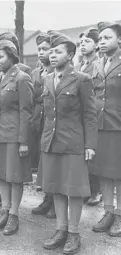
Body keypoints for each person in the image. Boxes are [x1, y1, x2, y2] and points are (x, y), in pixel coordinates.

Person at [39, 33, 97, 254]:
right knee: (56, 189)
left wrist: (90, 145)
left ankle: (74, 234)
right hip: (51, 142)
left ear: (70, 55)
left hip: (73, 142)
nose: (52, 55)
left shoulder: (82, 79)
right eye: (51, 52)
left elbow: (90, 115)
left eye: (58, 52)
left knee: (73, 191)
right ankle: (60, 230)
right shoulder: (47, 79)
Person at [0, 40, 33, 235]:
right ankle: (4, 211)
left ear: (11, 57)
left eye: (0, 57)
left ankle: (14, 215)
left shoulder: (22, 78)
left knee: (15, 177)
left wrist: (23, 141)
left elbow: (26, 112)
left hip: (14, 135)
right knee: (2, 175)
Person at [90, 22, 121, 237]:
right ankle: (108, 211)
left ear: (119, 40)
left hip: (118, 125)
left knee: (119, 174)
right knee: (104, 172)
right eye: (100, 38)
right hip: (99, 126)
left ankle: (120, 216)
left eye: (107, 37)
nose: (102, 42)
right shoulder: (97, 64)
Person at [75, 27, 102, 207]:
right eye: (81, 43)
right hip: (80, 112)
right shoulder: (78, 66)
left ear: (97, 45)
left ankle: (96, 190)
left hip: (96, 112)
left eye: (87, 42)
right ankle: (86, 187)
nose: (83, 45)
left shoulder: (98, 65)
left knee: (94, 152)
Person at [30, 32, 56, 219]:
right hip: (39, 120)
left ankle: (56, 202)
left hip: (55, 121)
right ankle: (48, 197)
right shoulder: (35, 72)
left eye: (45, 49)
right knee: (44, 160)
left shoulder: (58, 72)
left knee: (54, 161)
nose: (41, 52)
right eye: (39, 49)